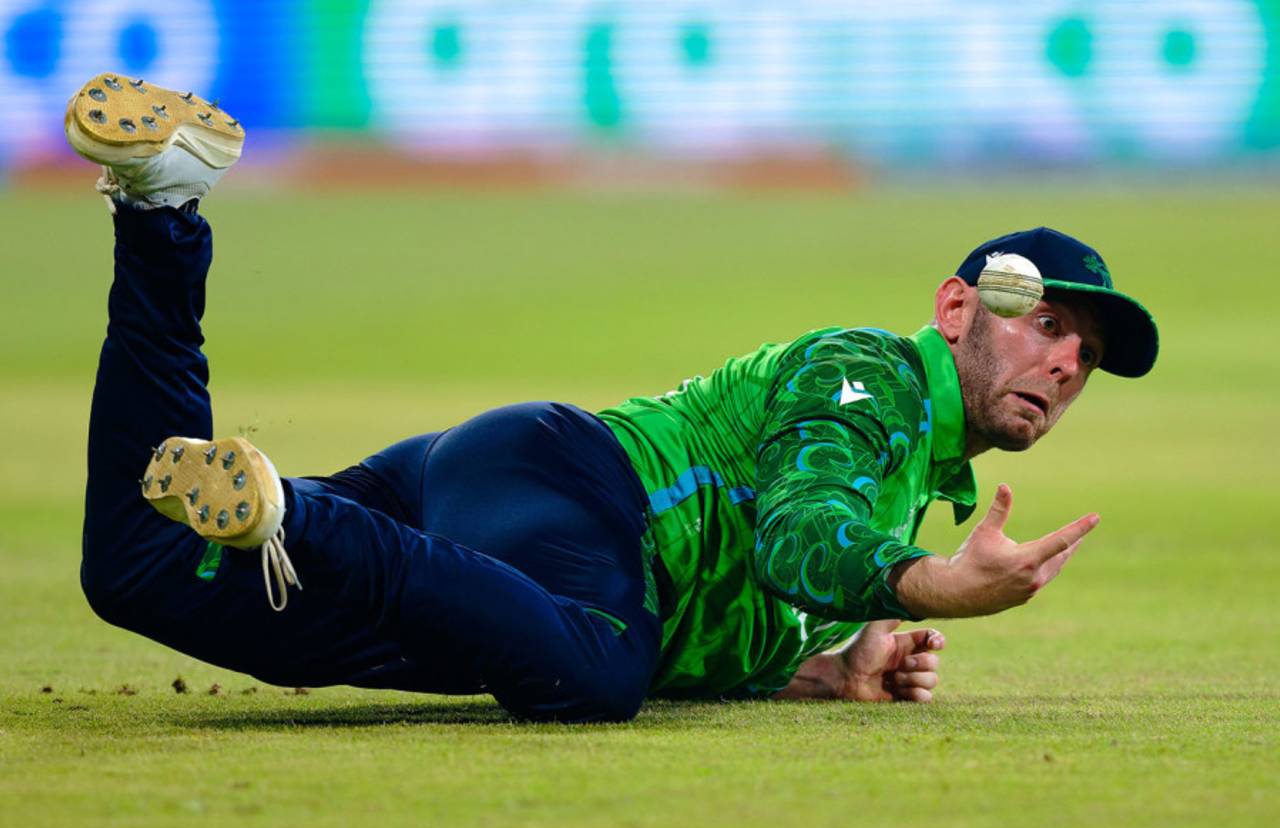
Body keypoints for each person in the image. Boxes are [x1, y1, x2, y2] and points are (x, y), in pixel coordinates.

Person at [69, 74, 1159, 722]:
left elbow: (742, 593)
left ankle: (161, 206)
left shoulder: (909, 470)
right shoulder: (870, 377)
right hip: (573, 487)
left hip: (503, 514)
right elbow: (795, 536)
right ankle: (298, 516)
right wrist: (922, 587)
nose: (1065, 362)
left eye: (1087, 354)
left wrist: (820, 668)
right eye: (1047, 323)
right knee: (593, 671)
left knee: (141, 571)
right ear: (954, 306)